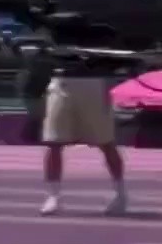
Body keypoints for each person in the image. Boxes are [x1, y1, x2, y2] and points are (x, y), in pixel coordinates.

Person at [39, 69, 127, 215]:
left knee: (106, 141)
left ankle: (120, 194)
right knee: (53, 141)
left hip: (95, 81)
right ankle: (53, 196)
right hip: (62, 80)